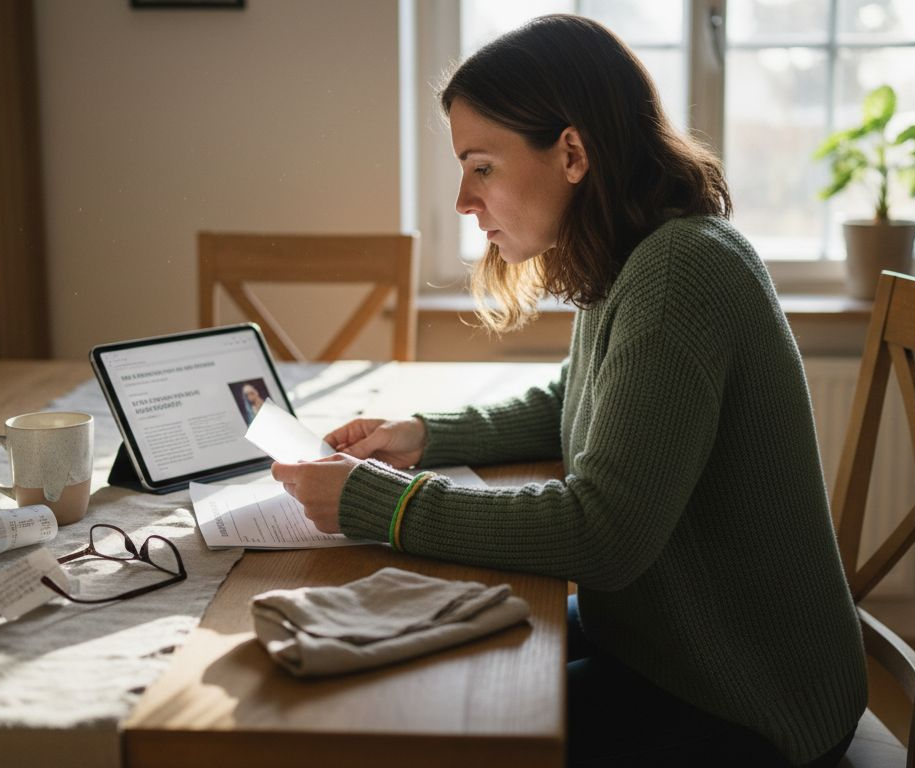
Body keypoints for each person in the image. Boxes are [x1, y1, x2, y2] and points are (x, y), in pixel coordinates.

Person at [271, 14, 865, 767]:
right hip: (663, 644)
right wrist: (423, 434)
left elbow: (602, 535)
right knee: (428, 677)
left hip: (749, 700)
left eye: (482, 167)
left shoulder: (679, 272)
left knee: (438, 730)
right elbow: (570, 400)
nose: (463, 199)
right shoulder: (635, 255)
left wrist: (380, 503)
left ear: (573, 153)